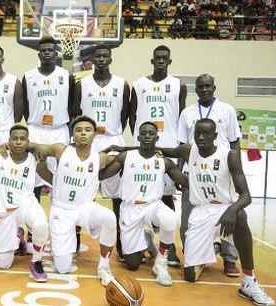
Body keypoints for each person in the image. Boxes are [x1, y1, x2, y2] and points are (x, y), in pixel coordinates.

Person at [159, 118, 275, 306]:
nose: (201, 137)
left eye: (206, 133)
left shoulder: (229, 155)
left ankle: (249, 281)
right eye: (197, 133)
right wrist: (123, 149)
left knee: (240, 216)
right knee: (189, 276)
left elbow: (246, 196)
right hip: (199, 211)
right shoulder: (188, 151)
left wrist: (232, 208)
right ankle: (208, 250)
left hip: (223, 208)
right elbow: (159, 150)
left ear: (215, 135)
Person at [28, 115, 117, 286]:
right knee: (62, 267)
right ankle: (60, 245)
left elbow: (123, 158)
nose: (83, 133)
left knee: (110, 217)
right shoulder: (60, 150)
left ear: (94, 134)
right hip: (62, 209)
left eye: (88, 130)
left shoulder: (101, 158)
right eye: (78, 130)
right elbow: (35, 147)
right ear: (73, 135)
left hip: (85, 207)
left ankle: (104, 267)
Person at [99, 122, 188, 286]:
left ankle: (161, 264)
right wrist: (99, 156)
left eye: (151, 133)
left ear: (157, 137)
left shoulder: (164, 161)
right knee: (132, 265)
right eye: (144, 133)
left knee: (169, 218)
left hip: (153, 206)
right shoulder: (126, 157)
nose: (147, 136)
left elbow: (184, 181)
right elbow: (102, 175)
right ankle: (146, 239)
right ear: (138, 137)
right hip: (130, 209)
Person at [178, 73, 241, 277]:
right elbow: (182, 145)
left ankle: (230, 259)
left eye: (208, 86)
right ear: (195, 90)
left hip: (221, 174)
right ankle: (194, 257)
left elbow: (234, 142)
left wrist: (236, 168)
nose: (204, 89)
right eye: (200, 86)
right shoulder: (187, 113)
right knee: (188, 219)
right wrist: (179, 172)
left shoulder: (227, 110)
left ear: (214, 88)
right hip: (194, 174)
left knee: (229, 216)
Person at [129, 45, 187, 266]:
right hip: (143, 144)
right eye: (157, 58)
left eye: (165, 58)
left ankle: (168, 247)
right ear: (152, 61)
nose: (161, 61)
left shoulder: (177, 85)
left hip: (168, 144)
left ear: (169, 62)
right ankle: (140, 240)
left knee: (166, 196)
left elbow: (181, 117)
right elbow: (133, 116)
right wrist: (141, 138)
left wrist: (178, 151)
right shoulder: (139, 84)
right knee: (140, 193)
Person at [73, 44, 130, 260]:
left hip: (113, 140)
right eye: (98, 56)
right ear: (92, 60)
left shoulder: (122, 84)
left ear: (111, 58)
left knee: (117, 196)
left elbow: (124, 115)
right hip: (89, 142)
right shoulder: (82, 84)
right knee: (80, 192)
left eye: (106, 55)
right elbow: (76, 113)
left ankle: (121, 241)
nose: (102, 59)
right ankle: (75, 241)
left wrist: (113, 133)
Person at [0, 124, 49, 282]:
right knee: (3, 264)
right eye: (15, 139)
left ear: (28, 142)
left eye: (22, 139)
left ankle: (36, 261)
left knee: (41, 225)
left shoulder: (35, 159)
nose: (18, 142)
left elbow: (50, 175)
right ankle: (19, 240)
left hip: (25, 205)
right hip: (4, 210)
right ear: (8, 141)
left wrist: (40, 156)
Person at [22, 36, 75, 200]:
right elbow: (25, 105)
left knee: (61, 174)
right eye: (43, 50)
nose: (47, 53)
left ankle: (58, 215)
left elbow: (72, 105)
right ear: (39, 54)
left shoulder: (66, 76)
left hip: (59, 130)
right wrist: (33, 121)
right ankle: (33, 222)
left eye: (50, 50)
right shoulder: (28, 76)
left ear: (55, 53)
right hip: (36, 129)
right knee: (33, 176)